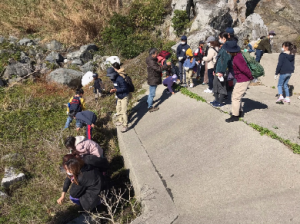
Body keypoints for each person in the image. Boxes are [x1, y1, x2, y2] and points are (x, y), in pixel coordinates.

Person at [222, 41, 254, 123]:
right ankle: (238, 112)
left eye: (228, 50)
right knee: (236, 96)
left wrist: (251, 77)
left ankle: (235, 115)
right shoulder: (237, 56)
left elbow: (244, 69)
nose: (227, 51)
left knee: (235, 97)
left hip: (243, 79)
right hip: (241, 79)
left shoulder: (237, 58)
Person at [211, 32, 232, 107]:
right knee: (215, 84)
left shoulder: (227, 47)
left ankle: (220, 101)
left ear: (224, 38)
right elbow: (219, 59)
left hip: (222, 70)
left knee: (221, 86)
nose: (219, 39)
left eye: (220, 38)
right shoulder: (223, 46)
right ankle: (216, 100)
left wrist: (222, 72)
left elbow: (226, 60)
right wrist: (214, 69)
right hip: (218, 69)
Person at [146, 48, 171, 112]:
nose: (157, 54)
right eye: (156, 53)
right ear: (153, 54)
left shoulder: (150, 59)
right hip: (153, 79)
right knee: (152, 93)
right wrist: (166, 65)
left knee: (151, 92)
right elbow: (158, 69)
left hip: (152, 78)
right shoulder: (152, 61)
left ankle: (149, 101)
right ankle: (150, 107)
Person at [106, 65, 130, 133]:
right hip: (119, 96)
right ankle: (120, 121)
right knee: (118, 109)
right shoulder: (113, 79)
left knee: (123, 111)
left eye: (110, 75)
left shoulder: (120, 79)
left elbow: (125, 88)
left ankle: (125, 125)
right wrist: (114, 90)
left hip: (124, 96)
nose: (110, 77)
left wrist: (116, 90)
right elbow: (117, 87)